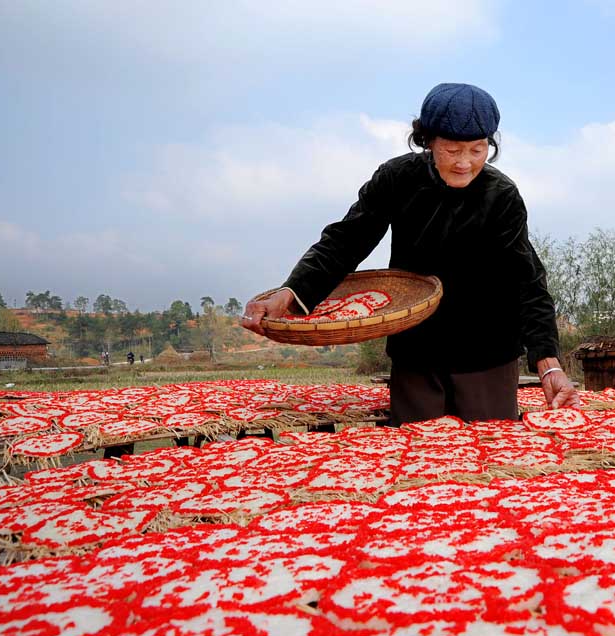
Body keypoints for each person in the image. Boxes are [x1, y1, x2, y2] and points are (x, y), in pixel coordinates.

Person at [242, 83, 580, 425]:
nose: (464, 163)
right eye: (452, 150)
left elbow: (526, 278)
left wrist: (547, 361)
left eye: (477, 150)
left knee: (488, 453)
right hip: (417, 350)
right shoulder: (396, 179)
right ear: (428, 141)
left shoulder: (501, 195)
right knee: (415, 452)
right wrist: (291, 292)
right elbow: (345, 241)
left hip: (487, 350)